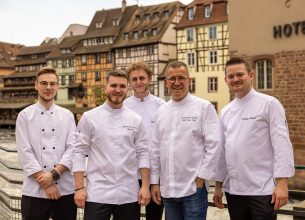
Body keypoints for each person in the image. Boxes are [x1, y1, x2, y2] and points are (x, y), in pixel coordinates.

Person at [213, 57, 295, 220]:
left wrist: (282, 183)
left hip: (262, 190)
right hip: (234, 191)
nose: (235, 79)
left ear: (251, 75)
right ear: (225, 80)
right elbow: (223, 151)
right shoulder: (226, 111)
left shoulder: (269, 104)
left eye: (240, 74)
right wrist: (218, 185)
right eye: (231, 76)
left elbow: (281, 144)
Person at [73, 69, 151, 220]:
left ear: (127, 89)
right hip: (97, 193)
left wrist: (145, 186)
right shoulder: (89, 118)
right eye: (113, 85)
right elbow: (79, 152)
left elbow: (143, 153)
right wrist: (79, 187)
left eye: (122, 86)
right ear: (105, 88)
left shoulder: (135, 119)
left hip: (129, 193)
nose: (118, 90)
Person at [150, 61, 220, 220]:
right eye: (172, 79)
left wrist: (201, 179)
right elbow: (155, 150)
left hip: (193, 189)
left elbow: (214, 145)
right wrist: (155, 182)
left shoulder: (204, 107)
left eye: (181, 78)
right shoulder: (161, 111)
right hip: (168, 189)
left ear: (189, 80)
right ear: (166, 82)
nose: (177, 83)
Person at [15, 67, 77, 220]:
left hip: (64, 189)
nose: (48, 87)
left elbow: (73, 149)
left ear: (58, 86)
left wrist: (54, 174)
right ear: (36, 85)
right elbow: (25, 152)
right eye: (43, 83)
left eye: (52, 83)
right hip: (34, 190)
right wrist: (48, 184)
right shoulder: (24, 116)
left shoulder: (67, 115)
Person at [124, 61, 165, 220]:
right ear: (130, 82)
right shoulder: (124, 106)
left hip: (156, 174)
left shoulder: (161, 105)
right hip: (130, 175)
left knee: (154, 216)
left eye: (142, 78)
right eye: (134, 79)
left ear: (149, 78)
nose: (138, 82)